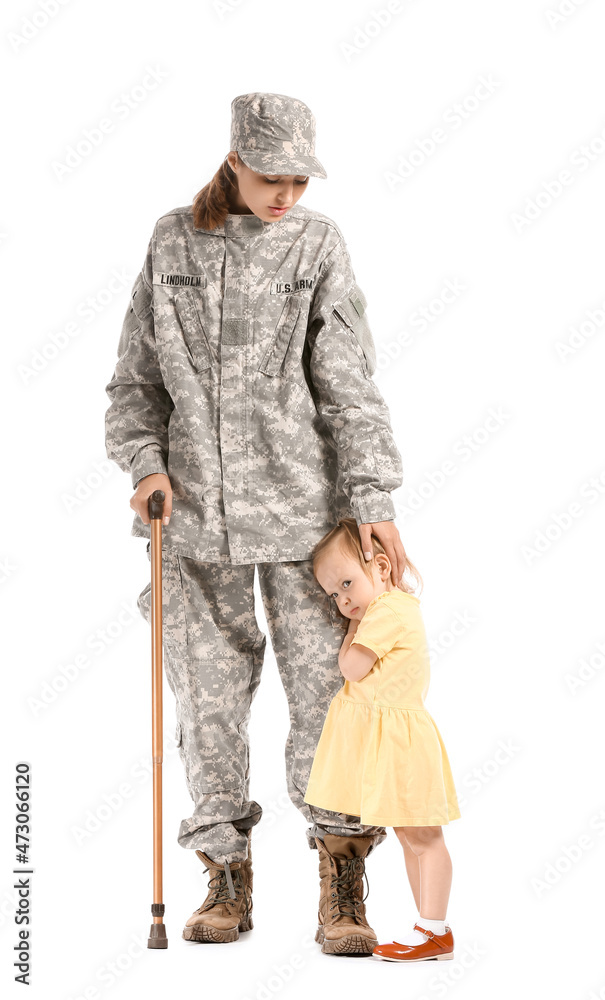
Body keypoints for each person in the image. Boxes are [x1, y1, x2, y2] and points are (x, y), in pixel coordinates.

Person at [104, 92, 408, 952]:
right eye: (272, 177)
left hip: (309, 521)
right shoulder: (172, 241)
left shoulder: (316, 243)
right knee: (206, 702)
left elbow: (348, 384)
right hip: (192, 519)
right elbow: (134, 384)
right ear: (233, 160)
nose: (287, 194)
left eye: (300, 179)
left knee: (331, 699)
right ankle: (224, 876)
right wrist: (146, 465)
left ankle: (342, 874)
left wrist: (374, 501)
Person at [304, 517, 461, 962]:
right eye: (333, 594)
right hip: (391, 744)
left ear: (382, 568)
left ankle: (434, 931)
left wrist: (351, 633)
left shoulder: (387, 611)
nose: (343, 600)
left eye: (348, 583)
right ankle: (427, 930)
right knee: (412, 838)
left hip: (402, 745)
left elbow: (351, 668)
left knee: (424, 839)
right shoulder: (384, 609)